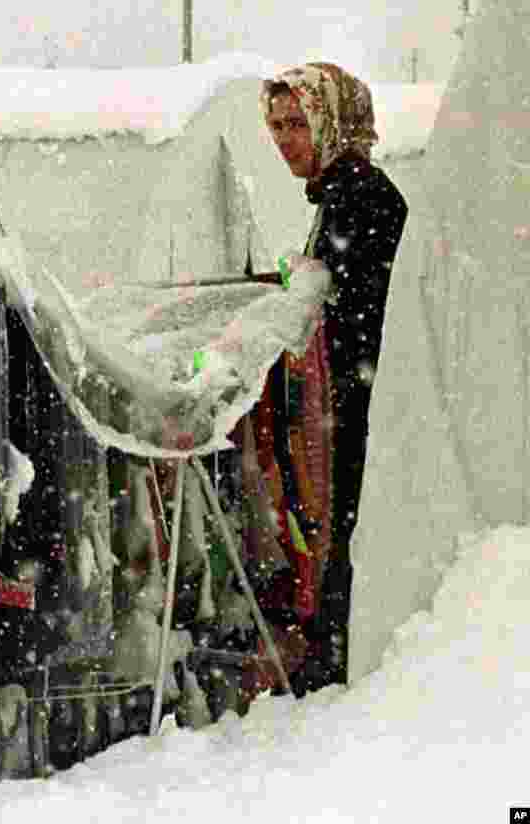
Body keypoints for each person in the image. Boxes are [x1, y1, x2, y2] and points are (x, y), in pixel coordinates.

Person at [249, 63, 409, 695]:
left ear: (331, 120)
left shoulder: (358, 193)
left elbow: (347, 308)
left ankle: (335, 664)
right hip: (348, 399)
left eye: (297, 123)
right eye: (277, 125)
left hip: (356, 401)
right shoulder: (342, 191)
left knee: (343, 524)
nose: (285, 138)